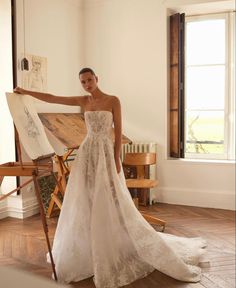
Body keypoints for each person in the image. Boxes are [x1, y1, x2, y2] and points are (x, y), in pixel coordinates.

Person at [14, 67, 206, 288]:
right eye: (83, 82)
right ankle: (89, 243)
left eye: (89, 80)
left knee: (110, 194)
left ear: (97, 79)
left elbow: (117, 132)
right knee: (86, 195)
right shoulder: (83, 101)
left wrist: (116, 158)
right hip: (87, 153)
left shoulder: (113, 100)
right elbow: (52, 97)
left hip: (105, 151)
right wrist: (26, 92)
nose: (87, 84)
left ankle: (113, 241)